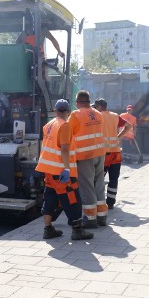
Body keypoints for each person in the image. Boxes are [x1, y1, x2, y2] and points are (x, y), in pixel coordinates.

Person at [35, 99, 93, 240]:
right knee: (72, 199)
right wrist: (67, 169)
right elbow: (65, 148)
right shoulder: (65, 126)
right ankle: (77, 230)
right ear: (68, 111)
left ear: (55, 111)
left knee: (50, 198)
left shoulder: (48, 125)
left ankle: (48, 229)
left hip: (49, 171)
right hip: (61, 172)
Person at [68, 90, 106, 228]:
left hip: (84, 156)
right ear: (89, 101)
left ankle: (90, 219)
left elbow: (68, 133)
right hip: (99, 154)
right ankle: (102, 217)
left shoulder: (75, 115)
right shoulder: (98, 114)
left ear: (77, 102)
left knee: (87, 187)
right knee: (99, 185)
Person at [92, 98, 132, 209]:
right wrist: (118, 137)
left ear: (100, 107)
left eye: (95, 107)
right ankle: (110, 203)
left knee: (98, 179)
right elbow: (129, 126)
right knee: (113, 179)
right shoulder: (115, 116)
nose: (95, 109)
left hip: (104, 154)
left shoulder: (97, 116)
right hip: (116, 153)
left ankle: (97, 202)